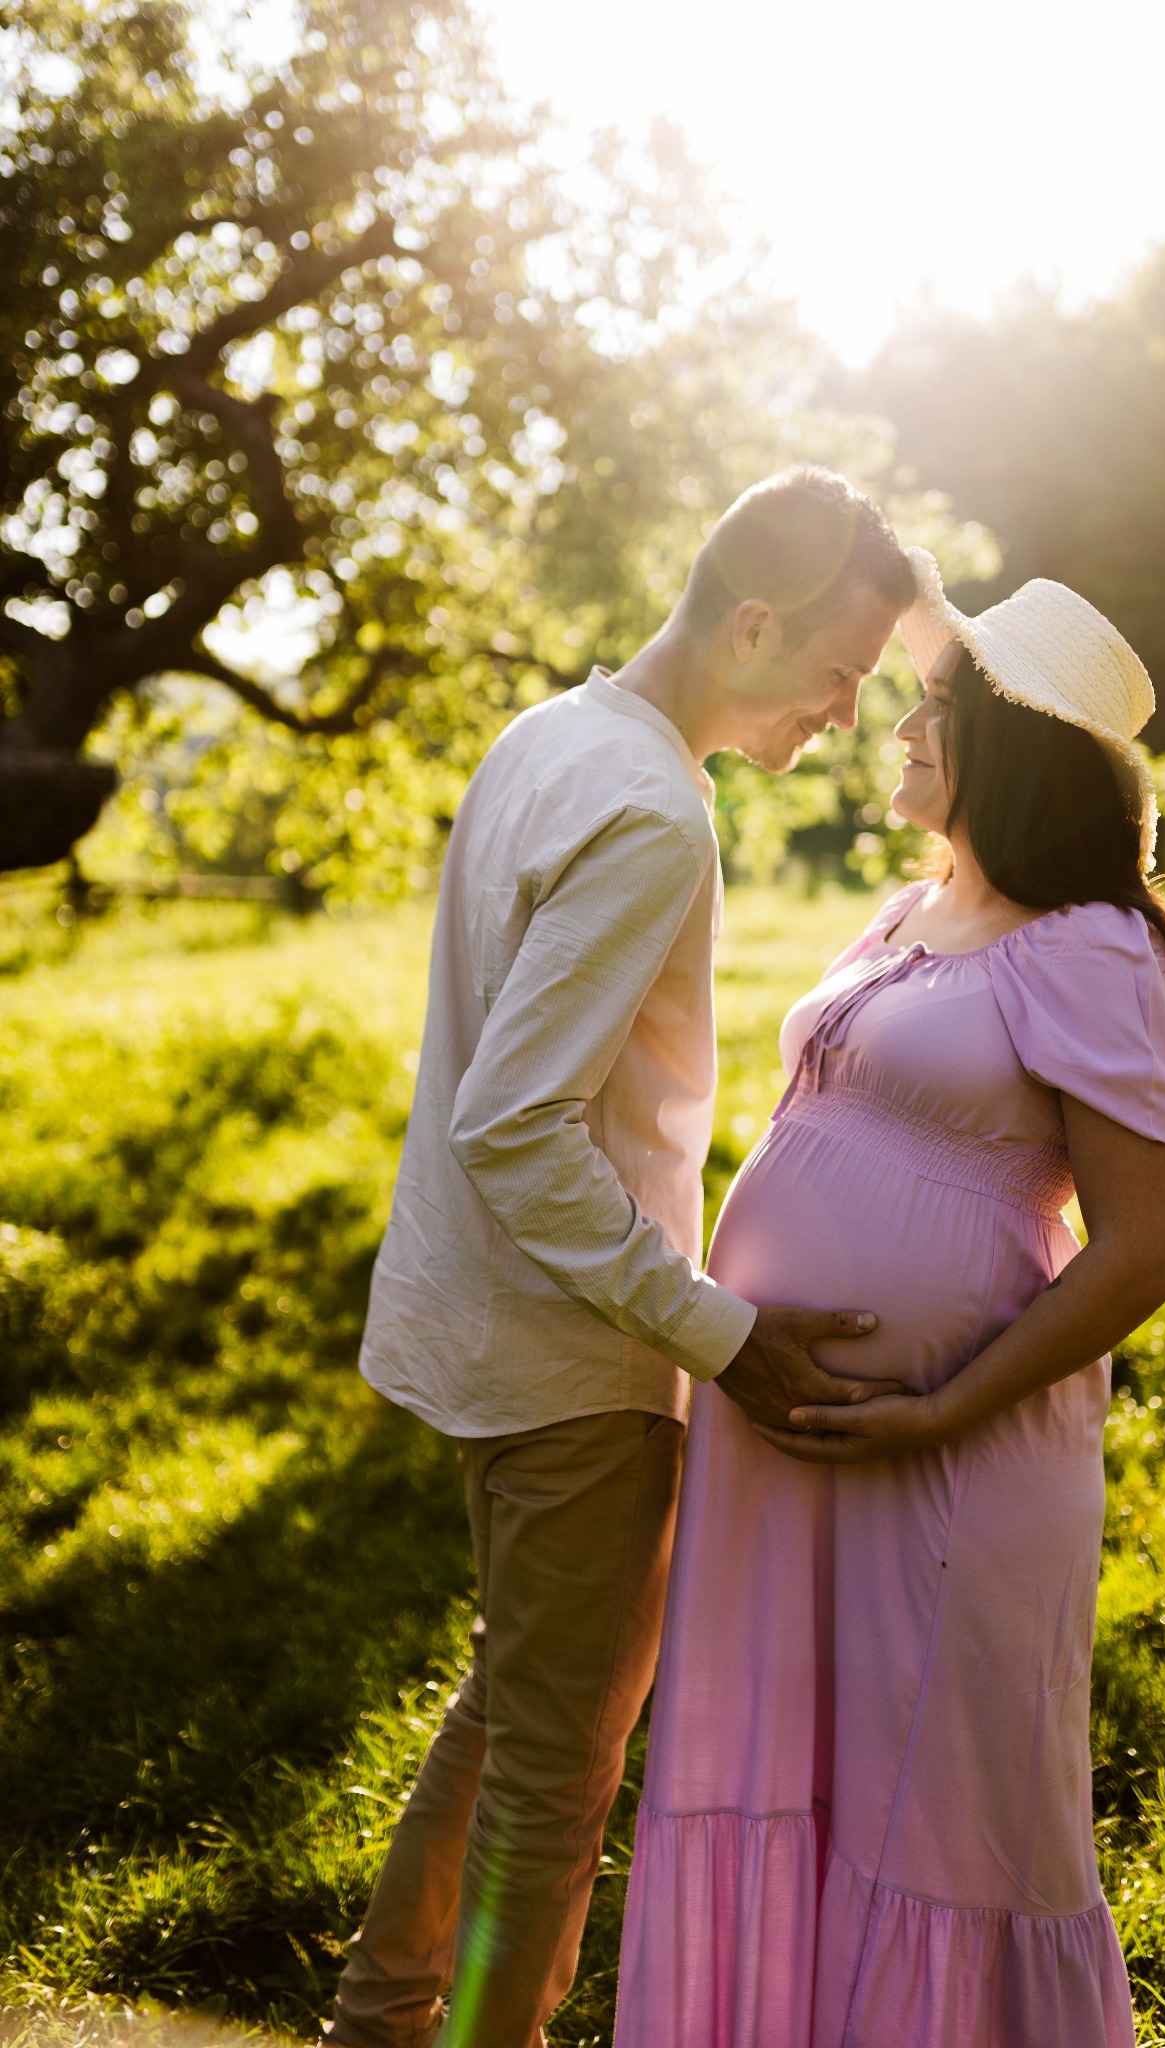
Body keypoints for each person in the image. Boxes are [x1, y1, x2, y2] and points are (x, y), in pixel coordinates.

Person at [322, 468, 918, 2048]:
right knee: (555, 1772)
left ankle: (378, 2022)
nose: (847, 717)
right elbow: (511, 1125)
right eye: (842, 677)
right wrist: (709, 1328)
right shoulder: (651, 808)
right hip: (572, 1360)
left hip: (493, 1329)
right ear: (751, 625)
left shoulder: (551, 734)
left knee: (514, 1705)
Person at [616, 550, 1165, 2047]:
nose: (896, 724)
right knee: (791, 1784)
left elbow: (1140, 1250)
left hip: (953, 1458)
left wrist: (941, 1407)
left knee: (938, 1818)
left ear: (1011, 751)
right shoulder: (903, 912)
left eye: (934, 706)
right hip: (787, 1436)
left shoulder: (1092, 949)